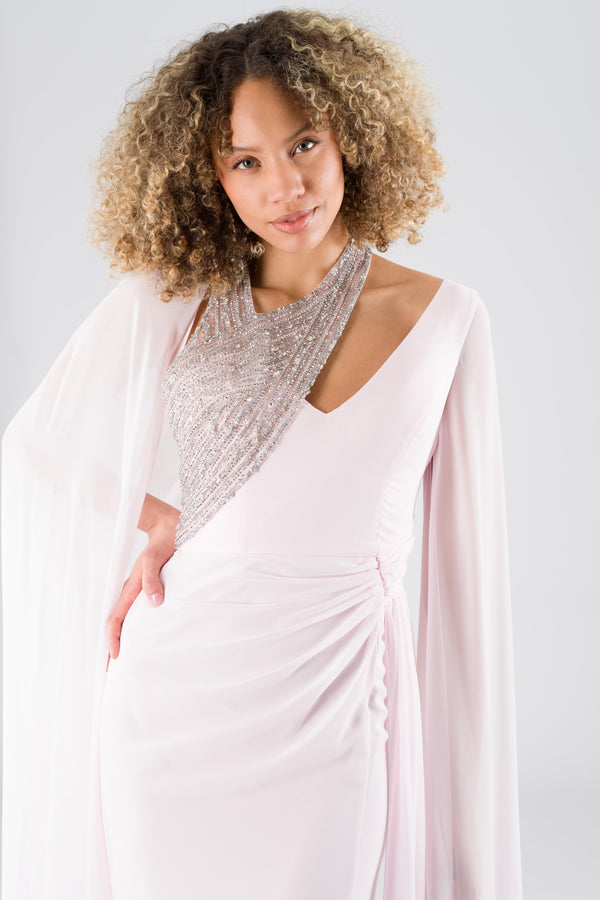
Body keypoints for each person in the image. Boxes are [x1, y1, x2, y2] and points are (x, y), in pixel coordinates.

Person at [1, 9, 523, 900]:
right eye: (245, 161)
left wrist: (469, 834)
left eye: (303, 144)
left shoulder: (447, 318)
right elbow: (34, 444)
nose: (284, 186)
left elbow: (466, 580)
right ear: (210, 176)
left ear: (353, 136)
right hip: (172, 696)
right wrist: (165, 520)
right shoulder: (178, 298)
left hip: (337, 692)